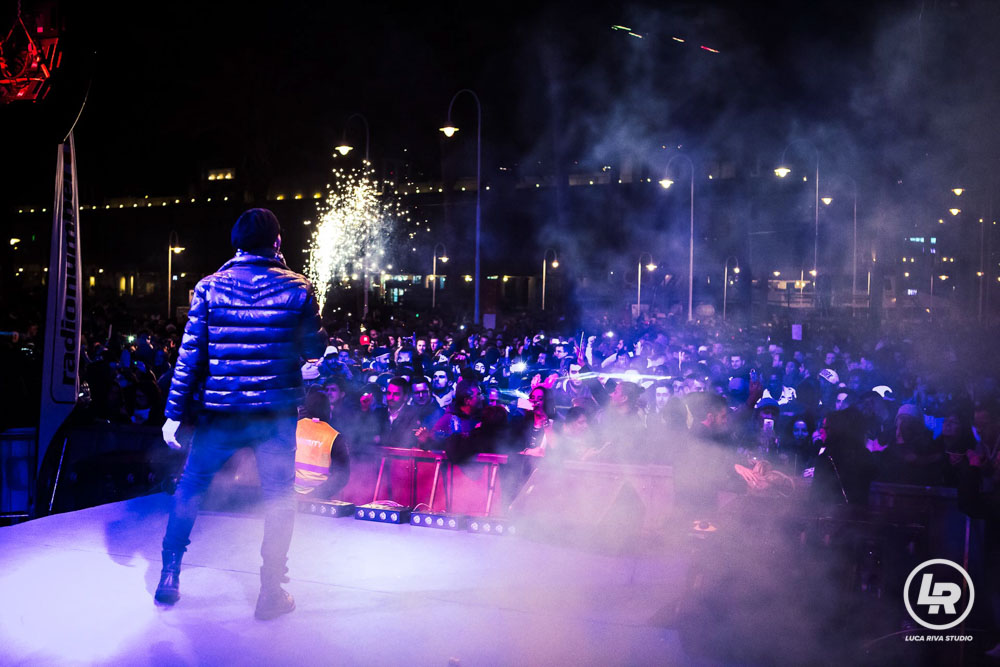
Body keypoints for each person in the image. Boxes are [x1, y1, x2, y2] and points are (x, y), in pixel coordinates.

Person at [157, 208, 326, 620]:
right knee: (279, 498)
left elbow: (190, 354)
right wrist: (318, 333)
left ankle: (169, 574)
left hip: (222, 411)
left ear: (236, 244)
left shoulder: (208, 288)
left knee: (192, 485)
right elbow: (313, 350)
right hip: (275, 415)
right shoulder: (298, 288)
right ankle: (270, 591)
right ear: (278, 242)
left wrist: (173, 413)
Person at [294, 391, 350, 499]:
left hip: (291, 495)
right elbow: (342, 476)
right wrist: (316, 495)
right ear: (328, 409)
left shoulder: (294, 429)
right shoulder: (334, 436)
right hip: (319, 499)